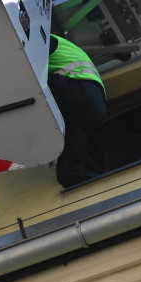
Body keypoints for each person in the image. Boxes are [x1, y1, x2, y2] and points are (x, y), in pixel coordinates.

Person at [47, 34, 106, 187]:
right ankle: (107, 186)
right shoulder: (52, 42)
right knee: (67, 174)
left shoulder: (45, 37)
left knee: (30, 81)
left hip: (82, 92)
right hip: (91, 110)